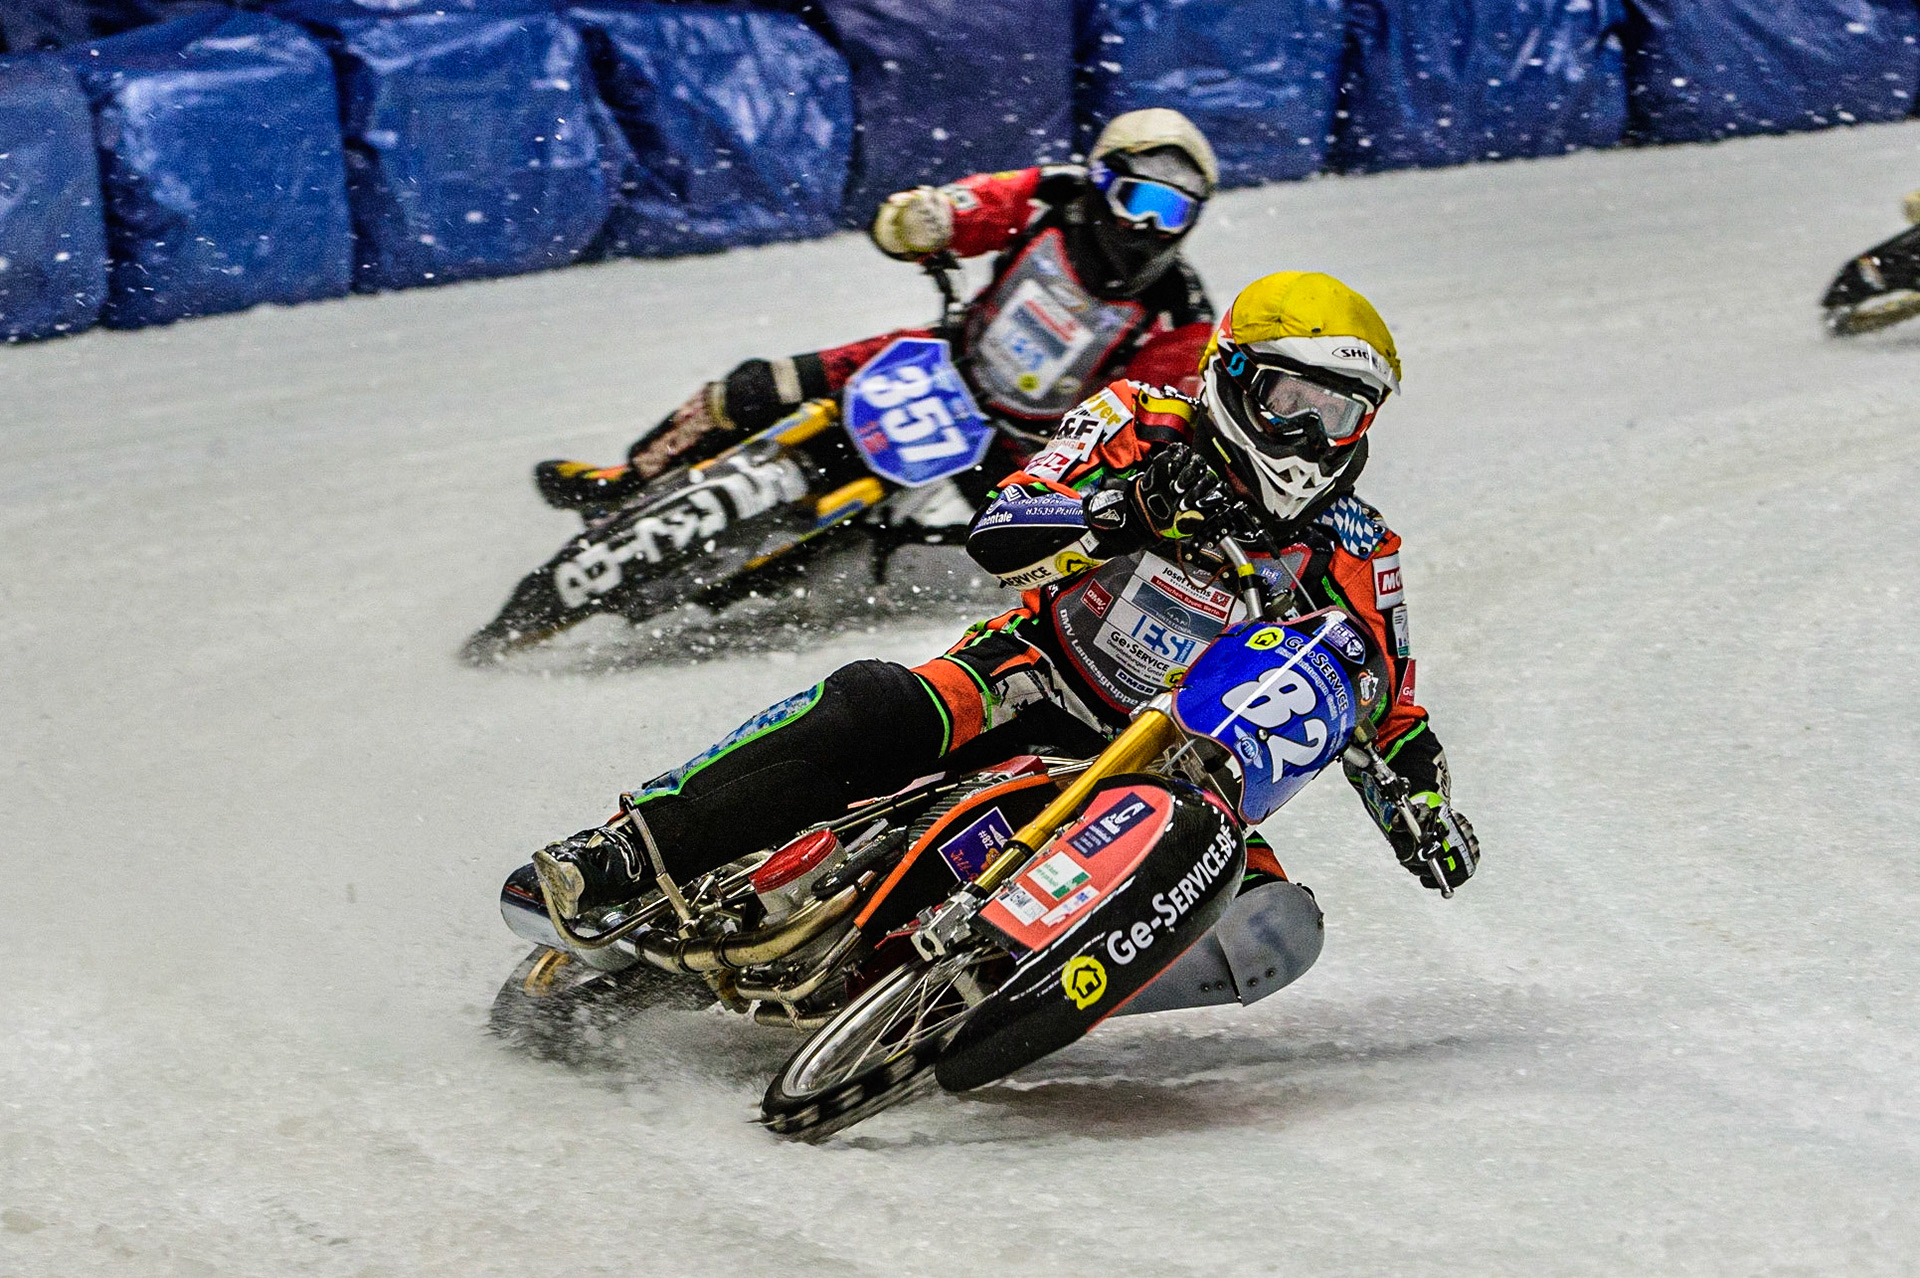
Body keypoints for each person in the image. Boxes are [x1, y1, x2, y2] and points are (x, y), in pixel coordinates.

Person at [533, 271, 1480, 960]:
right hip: (1031, 670)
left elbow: (1381, 702)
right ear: (1231, 377)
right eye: (1292, 399)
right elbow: (1003, 530)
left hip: (1180, 765)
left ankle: (984, 985)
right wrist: (1124, 511)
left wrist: (1423, 807)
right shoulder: (1137, 421)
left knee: (1273, 929)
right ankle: (629, 845)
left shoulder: (1359, 546)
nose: (1313, 436)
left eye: (1342, 413)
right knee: (875, 707)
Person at [534, 108, 1222, 513]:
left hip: (1023, 448)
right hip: (941, 358)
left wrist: (1078, 471)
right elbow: (971, 208)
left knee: (1014, 545)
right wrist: (924, 220)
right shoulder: (1052, 196)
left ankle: (865, 570)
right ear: (1102, 181)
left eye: (1174, 213)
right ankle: (629, 479)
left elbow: (1144, 416)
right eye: (1141, 201)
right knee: (750, 386)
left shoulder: (1181, 314)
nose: (1151, 229)